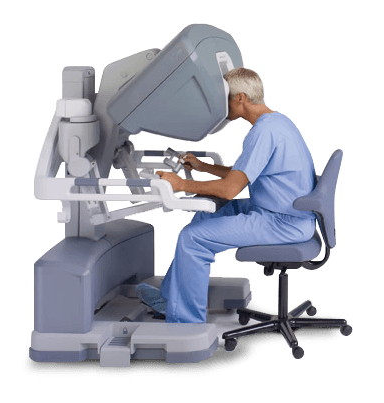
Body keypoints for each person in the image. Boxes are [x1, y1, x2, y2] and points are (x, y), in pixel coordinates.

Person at [135, 67, 316, 323]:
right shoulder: (277, 122)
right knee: (207, 214)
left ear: (240, 98)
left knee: (192, 239)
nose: (221, 105)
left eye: (225, 98)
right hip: (282, 211)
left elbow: (230, 189)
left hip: (282, 222)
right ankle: (170, 298)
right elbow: (245, 173)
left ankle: (187, 320)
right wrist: (204, 167)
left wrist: (180, 184)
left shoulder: (263, 132)